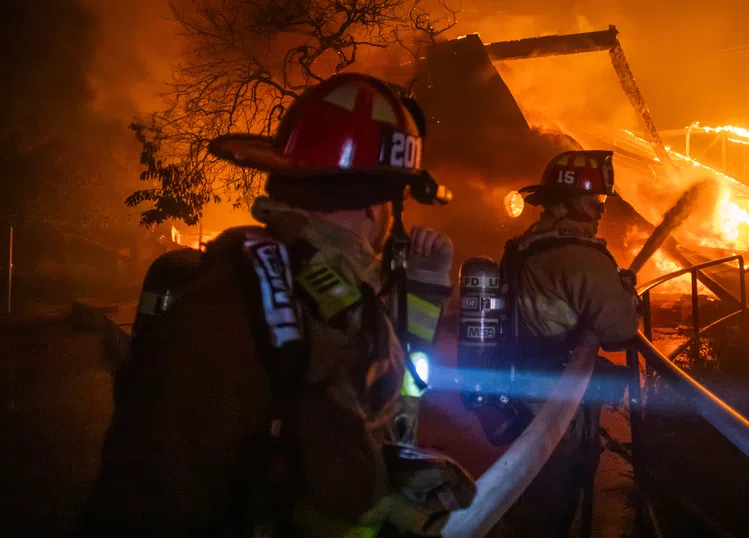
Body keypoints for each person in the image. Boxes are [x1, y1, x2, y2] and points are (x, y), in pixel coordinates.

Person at [76, 73, 473, 537]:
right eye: (393, 200)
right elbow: (151, 501)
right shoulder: (239, 305)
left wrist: (425, 286)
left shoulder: (330, 292)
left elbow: (387, 408)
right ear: (375, 207)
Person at [498, 150, 639, 537]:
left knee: (527, 488)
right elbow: (618, 331)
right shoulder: (582, 256)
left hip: (521, 388)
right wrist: (627, 297)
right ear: (572, 201)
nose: (599, 211)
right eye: (594, 200)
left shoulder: (526, 246)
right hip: (559, 397)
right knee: (553, 499)